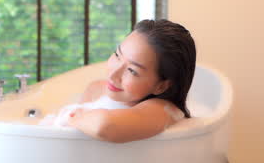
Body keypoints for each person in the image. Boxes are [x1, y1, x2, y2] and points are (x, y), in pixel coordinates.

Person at [42, 19, 196, 143]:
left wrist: (70, 117)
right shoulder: (98, 89)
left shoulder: (163, 110)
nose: (113, 74)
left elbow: (104, 126)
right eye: (117, 55)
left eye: (132, 71)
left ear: (161, 86)